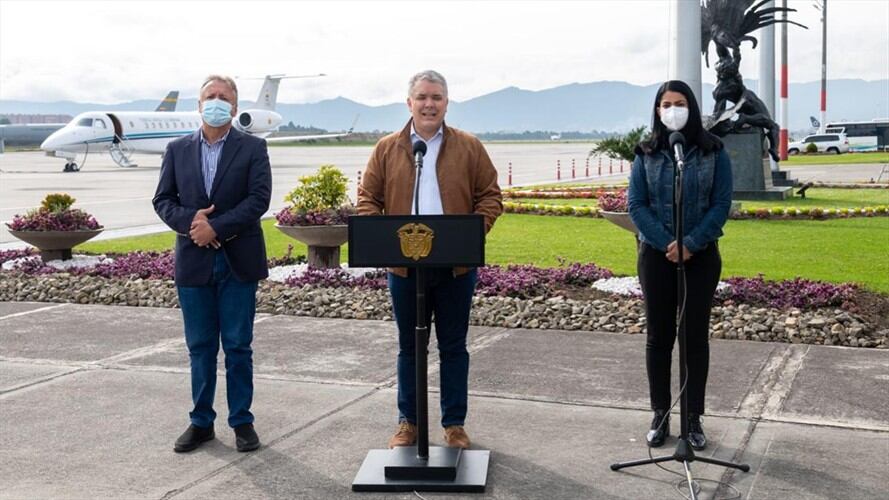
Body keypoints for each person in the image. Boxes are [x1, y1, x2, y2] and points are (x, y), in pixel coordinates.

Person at [357, 70, 502, 450]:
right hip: (405, 267)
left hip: (455, 266)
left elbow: (490, 196)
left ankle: (454, 424)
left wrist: (469, 235)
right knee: (410, 346)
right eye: (422, 97)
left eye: (436, 97)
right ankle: (409, 423)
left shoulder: (469, 147)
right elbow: (367, 199)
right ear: (409, 103)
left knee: (454, 346)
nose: (429, 104)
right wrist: (386, 241)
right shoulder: (387, 148)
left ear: (446, 103)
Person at [153, 75, 272, 453]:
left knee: (238, 346)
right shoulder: (177, 149)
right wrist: (193, 225)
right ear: (199, 105)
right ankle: (201, 421)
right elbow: (163, 200)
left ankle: (242, 422)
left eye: (224, 98)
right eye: (210, 96)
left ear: (235, 109)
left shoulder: (253, 148)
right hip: (194, 263)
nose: (216, 102)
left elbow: (259, 200)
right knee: (200, 347)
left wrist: (215, 227)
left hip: (238, 261)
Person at [627, 80, 732, 451]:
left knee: (693, 338)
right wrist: (666, 243)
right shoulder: (646, 153)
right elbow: (636, 205)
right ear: (657, 110)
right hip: (656, 257)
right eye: (666, 103)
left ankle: (693, 417)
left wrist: (691, 243)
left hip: (701, 257)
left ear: (692, 108)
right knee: (659, 337)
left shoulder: (713, 152)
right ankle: (660, 414)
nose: (673, 109)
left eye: (680, 103)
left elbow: (721, 205)